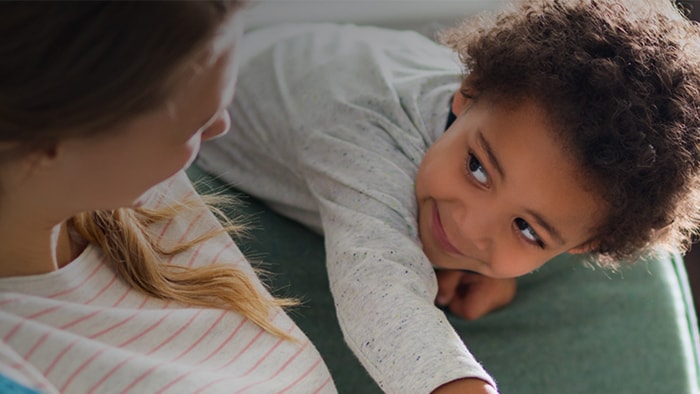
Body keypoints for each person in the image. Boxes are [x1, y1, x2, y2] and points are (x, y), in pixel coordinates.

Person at [196, 0, 700, 393]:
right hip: (213, 104)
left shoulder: (514, 136)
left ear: (583, 247)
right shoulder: (361, 132)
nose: (467, 227)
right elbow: (376, 289)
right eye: (477, 169)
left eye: (527, 229)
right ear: (468, 93)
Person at [0, 2, 336, 393]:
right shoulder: (22, 366)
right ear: (50, 144)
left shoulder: (141, 193)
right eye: (191, 127)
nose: (221, 127)